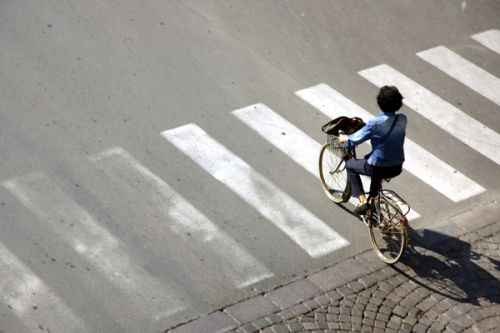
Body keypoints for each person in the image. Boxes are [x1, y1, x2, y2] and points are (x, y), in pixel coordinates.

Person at [338, 86, 407, 215]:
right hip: (397, 166)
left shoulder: (375, 124)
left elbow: (354, 140)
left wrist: (344, 138)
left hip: (378, 167)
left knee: (350, 166)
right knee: (370, 159)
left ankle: (363, 201)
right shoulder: (402, 119)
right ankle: (374, 201)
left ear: (379, 103)